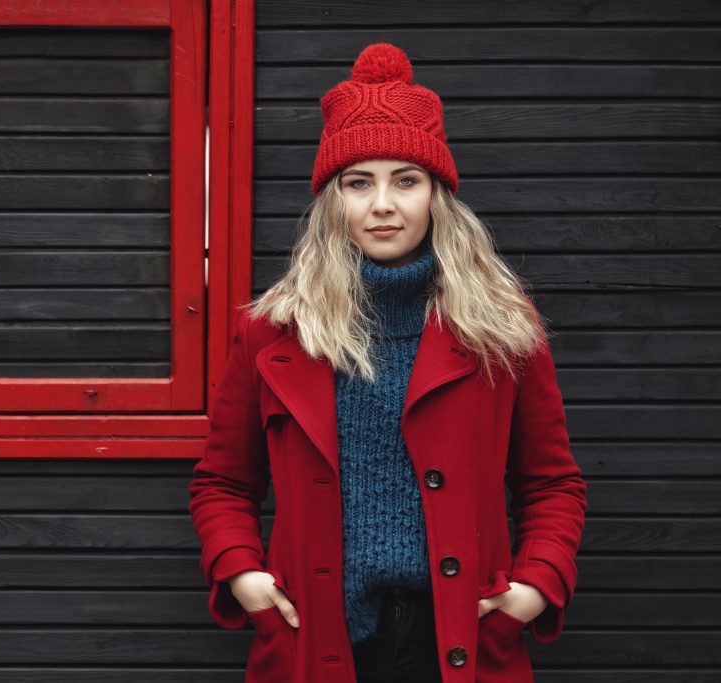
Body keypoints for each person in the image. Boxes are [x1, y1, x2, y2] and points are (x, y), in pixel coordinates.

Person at [187, 43, 587, 683]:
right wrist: (242, 573)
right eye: (358, 182)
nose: (382, 204)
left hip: (461, 639)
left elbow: (552, 485)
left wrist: (535, 587)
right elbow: (223, 484)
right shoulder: (272, 332)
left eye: (406, 180)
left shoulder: (503, 331)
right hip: (319, 640)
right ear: (330, 201)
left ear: (436, 195)